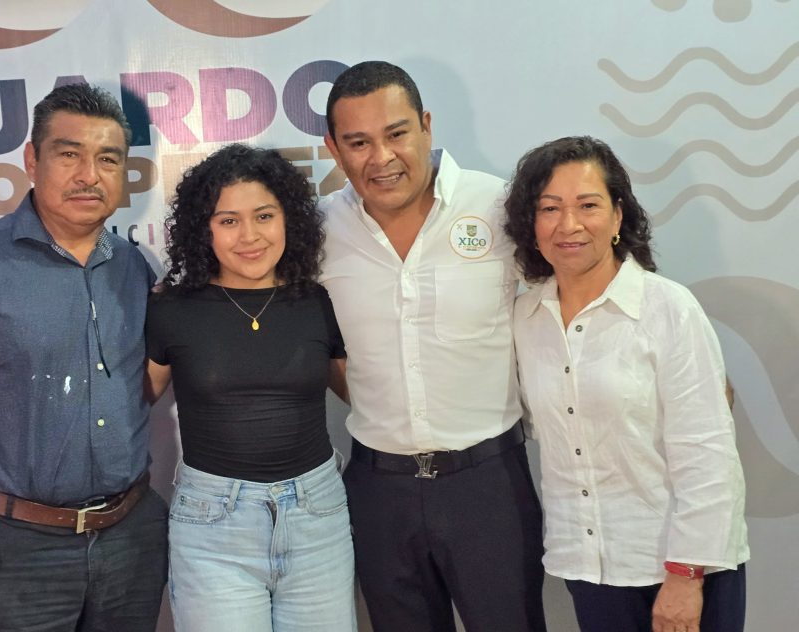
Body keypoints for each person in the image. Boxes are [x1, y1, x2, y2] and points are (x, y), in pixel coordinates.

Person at [0, 83, 168, 632]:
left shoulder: (134, 268)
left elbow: (141, 386)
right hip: (15, 553)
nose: (89, 175)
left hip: (132, 541)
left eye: (108, 159)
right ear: (31, 161)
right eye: (69, 154)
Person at [320, 61, 547, 631]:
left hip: (489, 486)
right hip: (378, 491)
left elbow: (571, 299)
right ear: (333, 149)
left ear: (425, 126)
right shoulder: (317, 230)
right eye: (358, 142)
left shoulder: (499, 206)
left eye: (396, 133)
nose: (382, 157)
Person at [504, 135, 749, 632]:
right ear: (531, 225)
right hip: (590, 568)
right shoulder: (524, 319)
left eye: (588, 205)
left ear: (618, 216)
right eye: (549, 208)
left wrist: (685, 575)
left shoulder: (668, 308)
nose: (569, 224)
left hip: (681, 567)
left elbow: (707, 452)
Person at [145, 143, 356, 631]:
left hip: (317, 518)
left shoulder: (319, 301)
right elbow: (131, 402)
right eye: (228, 221)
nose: (249, 236)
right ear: (204, 229)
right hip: (213, 528)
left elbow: (364, 396)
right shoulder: (171, 308)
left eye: (264, 216)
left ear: (289, 219)